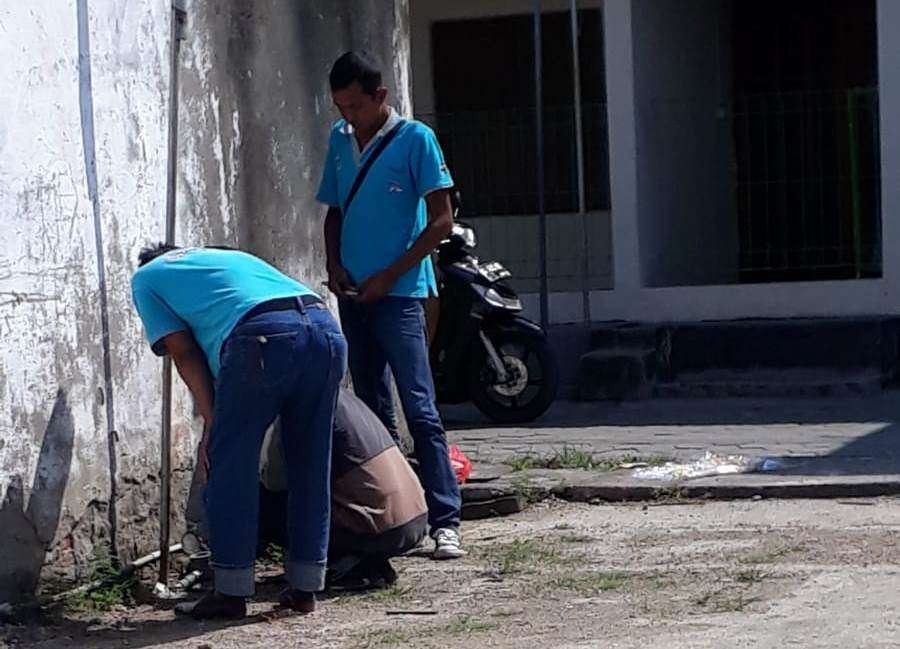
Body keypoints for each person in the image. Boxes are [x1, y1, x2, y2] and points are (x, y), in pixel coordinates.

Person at [131, 244, 346, 619]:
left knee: (231, 467)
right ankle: (306, 586)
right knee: (311, 464)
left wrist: (212, 424)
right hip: (325, 328)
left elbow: (183, 351)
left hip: (262, 339)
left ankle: (230, 592)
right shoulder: (225, 258)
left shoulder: (146, 277)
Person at [316, 51, 464, 559]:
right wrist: (335, 266)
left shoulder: (416, 139)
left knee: (419, 406)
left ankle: (447, 517)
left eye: (354, 106)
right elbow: (334, 210)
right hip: (354, 295)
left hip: (400, 295)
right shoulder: (339, 141)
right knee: (374, 411)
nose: (347, 117)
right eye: (340, 107)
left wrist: (388, 276)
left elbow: (441, 220)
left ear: (380, 97)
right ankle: (397, 514)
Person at [257, 388, 428, 591]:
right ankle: (364, 563)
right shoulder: (341, 396)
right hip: (414, 517)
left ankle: (334, 564)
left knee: (259, 504)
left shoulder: (302, 403)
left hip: (381, 525)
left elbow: (275, 481)